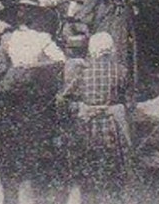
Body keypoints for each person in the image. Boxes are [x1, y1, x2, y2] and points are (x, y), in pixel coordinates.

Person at [56, 32, 131, 174]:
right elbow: (126, 99)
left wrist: (80, 107)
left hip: (87, 123)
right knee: (115, 167)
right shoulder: (121, 70)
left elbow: (64, 98)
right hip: (112, 125)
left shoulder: (82, 71)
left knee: (87, 164)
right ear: (111, 48)